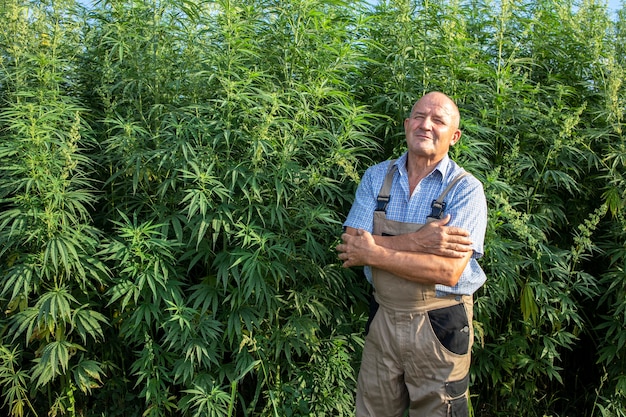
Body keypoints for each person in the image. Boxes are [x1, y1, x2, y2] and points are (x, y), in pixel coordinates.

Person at [336, 91, 487, 417]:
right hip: (383, 319)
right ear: (407, 124)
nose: (426, 125)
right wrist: (419, 242)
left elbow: (447, 272)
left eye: (438, 120)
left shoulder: (466, 189)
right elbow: (351, 245)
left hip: (439, 324)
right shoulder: (377, 176)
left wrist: (375, 252)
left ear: (455, 136)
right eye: (419, 116)